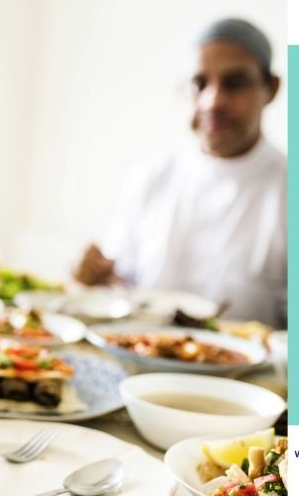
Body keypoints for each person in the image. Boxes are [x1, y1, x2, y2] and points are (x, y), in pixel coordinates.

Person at [75, 18, 286, 327]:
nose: (213, 101)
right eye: (199, 83)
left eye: (234, 82)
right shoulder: (151, 177)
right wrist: (96, 280)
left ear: (271, 88)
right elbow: (122, 291)